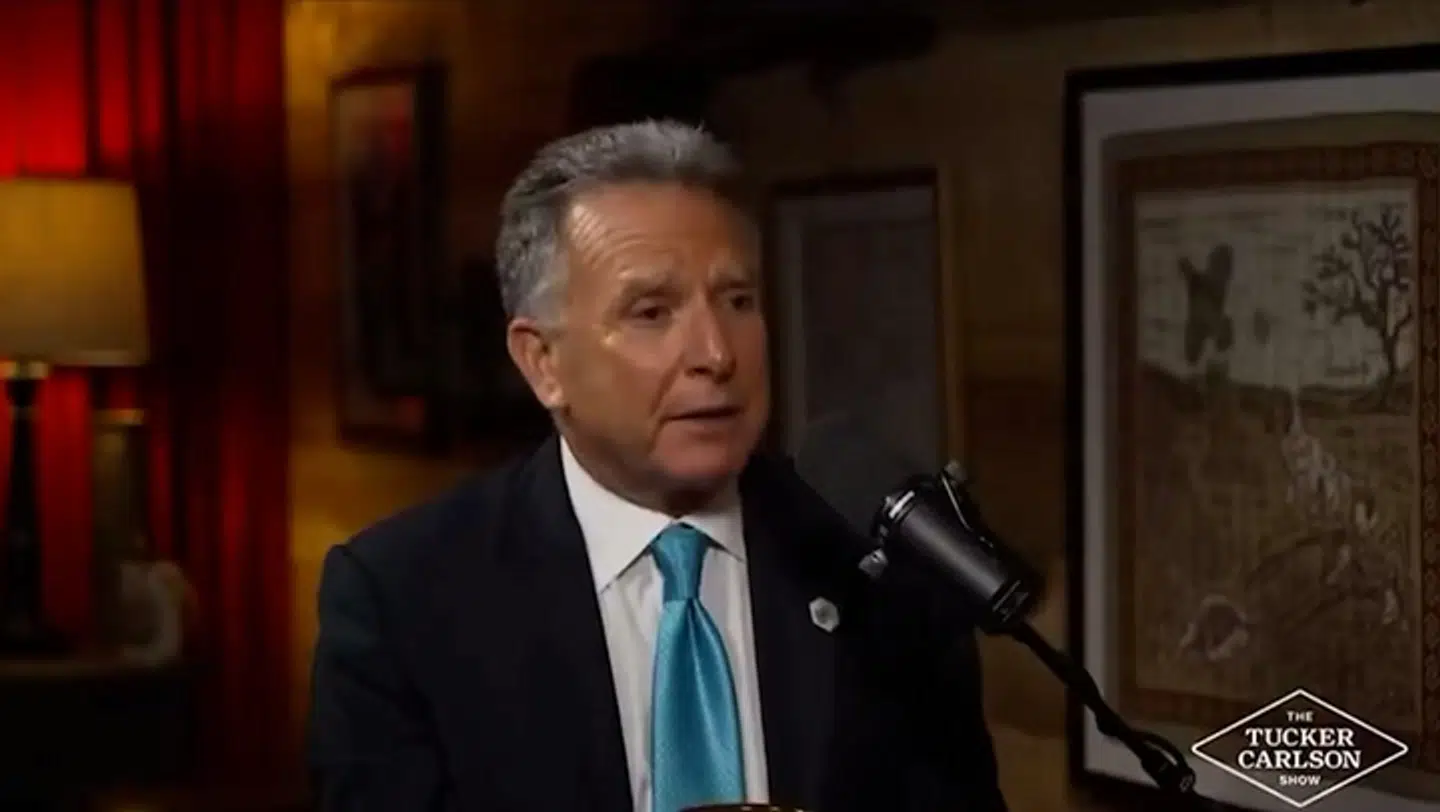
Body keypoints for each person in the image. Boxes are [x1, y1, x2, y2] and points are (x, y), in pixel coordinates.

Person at [308, 120, 1008, 812]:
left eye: (738, 301)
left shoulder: (879, 566)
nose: (716, 353)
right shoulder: (402, 599)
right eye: (652, 312)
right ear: (543, 362)